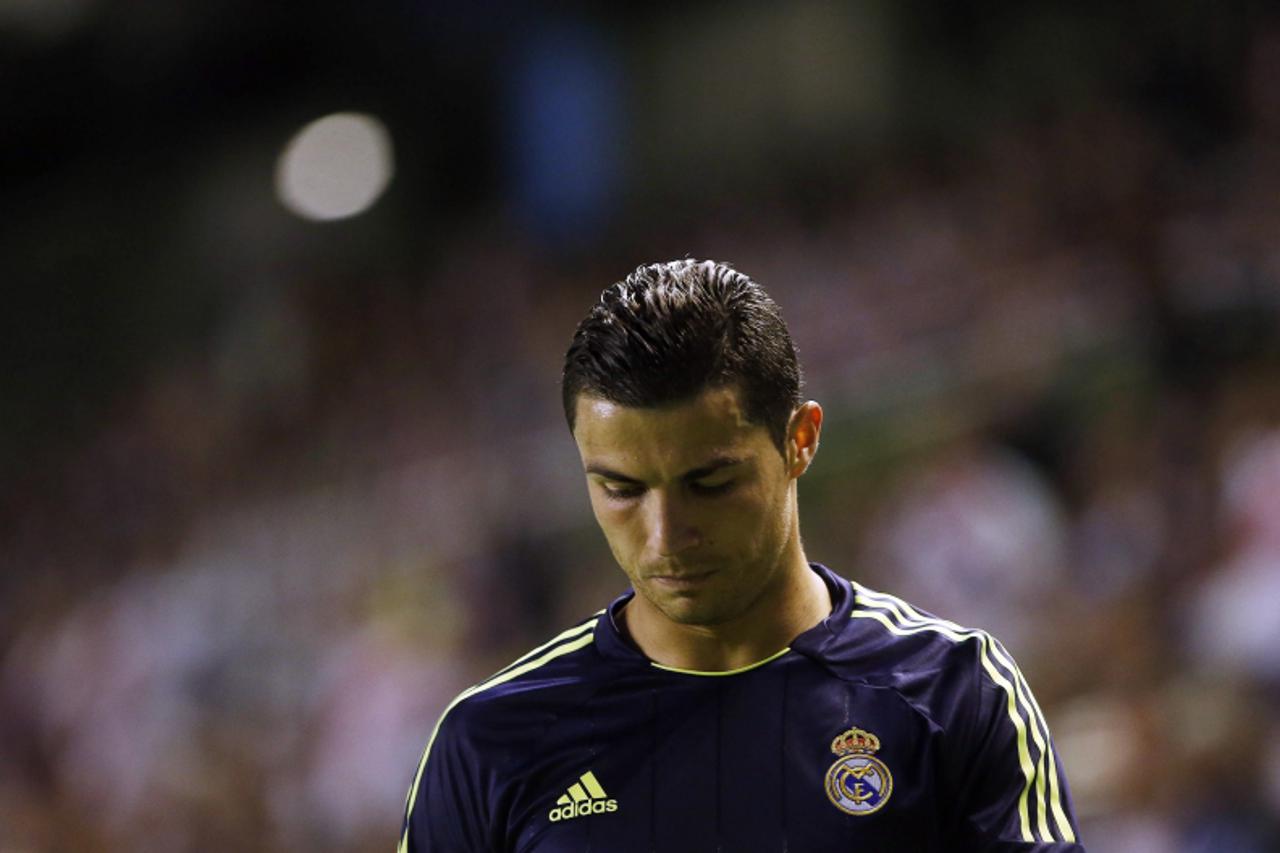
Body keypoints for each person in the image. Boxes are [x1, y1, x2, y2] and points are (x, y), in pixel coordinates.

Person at [398, 259, 1084, 852]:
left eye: (710, 482)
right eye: (621, 489)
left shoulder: (955, 689)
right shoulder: (489, 741)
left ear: (800, 440)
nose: (665, 535)